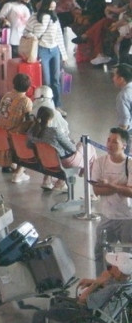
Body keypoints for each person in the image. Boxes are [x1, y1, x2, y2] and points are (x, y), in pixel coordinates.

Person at [31, 250, 132, 323]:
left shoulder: (112, 288)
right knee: (57, 302)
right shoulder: (126, 284)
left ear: (119, 271)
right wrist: (94, 281)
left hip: (86, 315)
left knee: (39, 314)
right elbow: (109, 286)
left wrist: (96, 283)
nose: (108, 268)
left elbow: (82, 300)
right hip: (95, 312)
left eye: (111, 267)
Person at [92, 127, 132, 273]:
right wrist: (121, 187)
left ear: (124, 145)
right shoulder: (100, 162)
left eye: (115, 142)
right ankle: (101, 282)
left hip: (127, 218)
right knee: (101, 253)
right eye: (109, 140)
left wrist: (109, 185)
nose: (109, 144)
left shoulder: (130, 164)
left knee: (128, 257)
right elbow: (97, 190)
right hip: (106, 216)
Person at [24, 0, 68, 107]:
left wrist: (64, 55)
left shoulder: (55, 18)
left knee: (56, 80)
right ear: (45, 6)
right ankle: (47, 105)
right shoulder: (34, 17)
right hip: (42, 50)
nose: (51, 10)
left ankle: (57, 105)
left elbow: (59, 36)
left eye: (53, 8)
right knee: (46, 80)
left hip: (55, 50)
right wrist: (33, 36)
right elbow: (26, 32)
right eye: (50, 7)